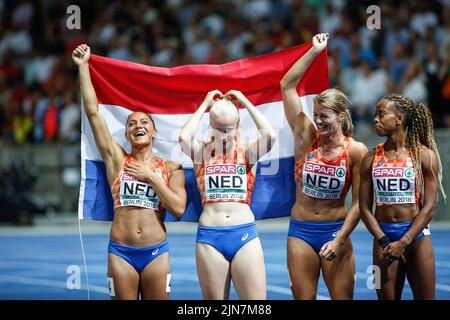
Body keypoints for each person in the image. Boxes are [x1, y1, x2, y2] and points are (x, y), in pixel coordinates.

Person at [72, 44, 187, 300]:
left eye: (144, 121)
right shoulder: (117, 160)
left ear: (154, 132)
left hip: (156, 252)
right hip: (120, 252)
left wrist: (151, 178)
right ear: (126, 134)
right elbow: (93, 113)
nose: (138, 125)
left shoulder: (171, 168)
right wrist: (83, 68)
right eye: (132, 123)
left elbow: (178, 209)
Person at [280, 33, 368, 300]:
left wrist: (339, 240)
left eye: (325, 116)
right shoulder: (306, 135)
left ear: (341, 117)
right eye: (316, 114)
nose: (318, 120)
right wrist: (314, 51)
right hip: (301, 232)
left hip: (335, 231)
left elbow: (360, 204)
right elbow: (286, 86)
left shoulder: (356, 151)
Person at [179, 89, 277, 299]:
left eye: (228, 129)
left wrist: (245, 102)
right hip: (210, 238)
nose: (223, 135)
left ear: (238, 127)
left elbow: (270, 136)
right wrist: (205, 103)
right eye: (218, 129)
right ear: (211, 127)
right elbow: (183, 137)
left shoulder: (248, 153)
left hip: (244, 235)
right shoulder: (201, 154)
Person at [359, 94, 446, 300]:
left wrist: (404, 241)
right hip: (383, 241)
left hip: (416, 238)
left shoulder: (425, 156)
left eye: (381, 114)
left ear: (399, 118)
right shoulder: (370, 158)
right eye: (375, 115)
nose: (375, 120)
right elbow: (363, 208)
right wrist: (384, 240)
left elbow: (430, 207)